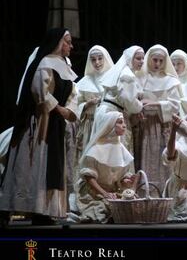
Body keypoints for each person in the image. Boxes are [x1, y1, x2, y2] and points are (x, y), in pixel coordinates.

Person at [0, 28, 78, 225]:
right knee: (34, 165)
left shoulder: (65, 67)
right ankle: (22, 208)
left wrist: (68, 110)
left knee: (51, 166)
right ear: (58, 43)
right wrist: (59, 109)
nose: (71, 46)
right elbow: (40, 93)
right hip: (40, 124)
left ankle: (43, 211)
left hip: (56, 123)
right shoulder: (45, 63)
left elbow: (73, 95)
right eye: (68, 42)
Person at [74, 111, 137, 223]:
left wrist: (126, 181)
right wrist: (104, 193)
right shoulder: (95, 149)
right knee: (100, 211)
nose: (124, 125)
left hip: (113, 193)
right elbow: (89, 178)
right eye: (120, 122)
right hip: (94, 193)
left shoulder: (121, 149)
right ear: (110, 125)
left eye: (123, 122)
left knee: (132, 205)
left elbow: (121, 177)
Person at [134, 44, 182, 192]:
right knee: (144, 161)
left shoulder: (170, 81)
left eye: (161, 61)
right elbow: (134, 100)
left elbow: (175, 106)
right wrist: (138, 109)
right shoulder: (140, 79)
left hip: (163, 127)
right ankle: (146, 193)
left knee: (163, 163)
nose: (157, 64)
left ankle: (164, 195)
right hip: (144, 126)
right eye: (155, 60)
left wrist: (155, 103)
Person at [97, 45, 144, 173]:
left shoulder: (120, 71)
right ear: (130, 59)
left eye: (142, 59)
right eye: (138, 58)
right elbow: (129, 102)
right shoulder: (127, 75)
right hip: (113, 114)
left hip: (106, 111)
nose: (141, 61)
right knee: (117, 150)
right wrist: (140, 107)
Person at [75, 45, 114, 173]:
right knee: (89, 160)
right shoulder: (85, 81)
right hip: (90, 125)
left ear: (105, 59)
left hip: (108, 126)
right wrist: (87, 105)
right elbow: (75, 103)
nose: (97, 62)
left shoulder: (114, 78)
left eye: (100, 58)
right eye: (93, 59)